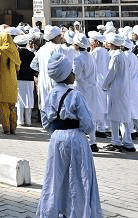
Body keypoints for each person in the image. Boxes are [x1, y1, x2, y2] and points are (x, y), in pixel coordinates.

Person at [36, 50, 101, 218]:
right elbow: (88, 124)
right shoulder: (76, 95)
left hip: (56, 139)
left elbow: (46, 123)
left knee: (56, 178)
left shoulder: (49, 95)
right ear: (65, 75)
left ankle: (55, 211)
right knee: (78, 179)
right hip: (76, 139)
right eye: (71, 71)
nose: (73, 74)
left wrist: (58, 131)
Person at [101, 33, 136, 152]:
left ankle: (116, 142)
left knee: (114, 116)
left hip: (116, 90)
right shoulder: (123, 55)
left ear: (111, 44)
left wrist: (104, 86)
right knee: (125, 116)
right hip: (124, 89)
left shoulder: (115, 57)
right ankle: (128, 142)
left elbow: (111, 73)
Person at [0, 30, 21, 135]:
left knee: (3, 106)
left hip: (2, 82)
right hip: (12, 82)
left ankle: (6, 128)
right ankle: (13, 128)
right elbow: (18, 67)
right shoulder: (14, 50)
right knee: (12, 106)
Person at [14, 32, 37, 127]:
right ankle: (28, 120)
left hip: (19, 79)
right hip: (30, 79)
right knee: (29, 99)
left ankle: (20, 120)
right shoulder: (31, 54)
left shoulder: (16, 54)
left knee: (19, 99)